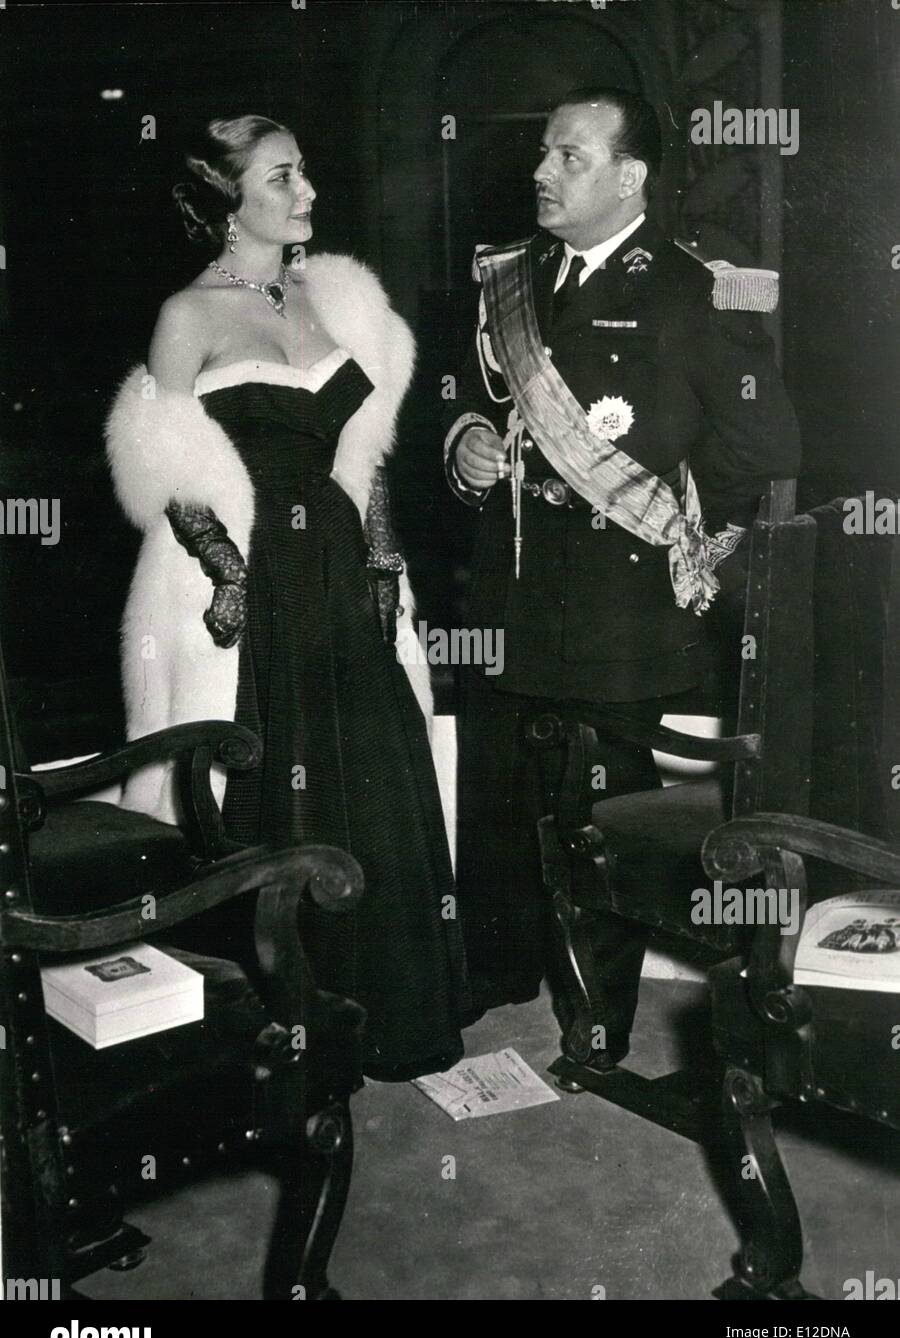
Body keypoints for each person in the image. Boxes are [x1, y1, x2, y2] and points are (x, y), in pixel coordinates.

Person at [106, 114, 468, 1081]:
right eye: (282, 177)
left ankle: (391, 1013)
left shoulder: (332, 297)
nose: (307, 193)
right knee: (279, 779)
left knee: (377, 770)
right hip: (256, 579)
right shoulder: (188, 316)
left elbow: (368, 456)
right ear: (231, 203)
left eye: (305, 172)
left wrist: (385, 566)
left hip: (344, 568)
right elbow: (166, 464)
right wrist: (228, 575)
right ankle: (294, 1028)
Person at [444, 87, 801, 1067]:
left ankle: (594, 1031)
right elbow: (471, 403)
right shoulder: (507, 280)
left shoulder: (700, 291)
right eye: (546, 154)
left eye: (568, 156)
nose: (541, 173)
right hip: (511, 588)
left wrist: (688, 533)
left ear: (629, 177)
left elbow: (764, 443)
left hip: (621, 604)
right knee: (510, 799)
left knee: (597, 816)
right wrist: (465, 445)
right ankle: (504, 971)